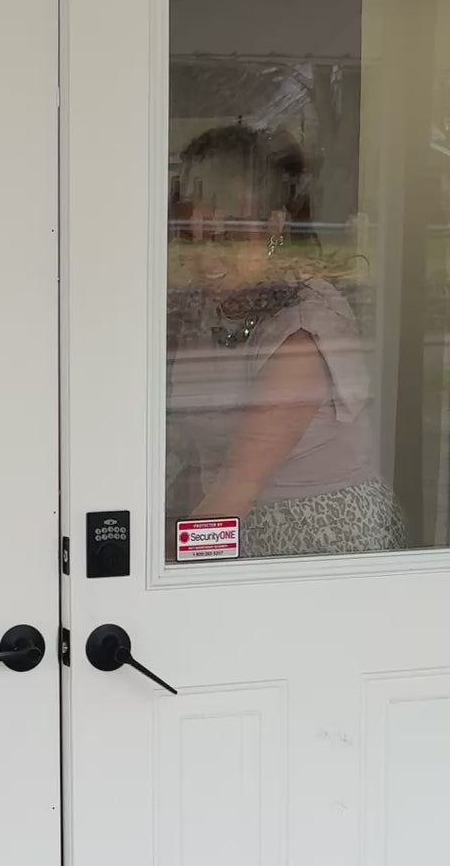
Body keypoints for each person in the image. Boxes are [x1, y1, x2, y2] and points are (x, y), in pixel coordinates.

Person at [167, 123, 406, 557]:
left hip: (311, 549)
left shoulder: (302, 331)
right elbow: (198, 455)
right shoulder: (210, 306)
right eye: (190, 236)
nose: (205, 257)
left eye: (226, 236)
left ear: (274, 225)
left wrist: (154, 564)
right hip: (232, 529)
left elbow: (236, 491)